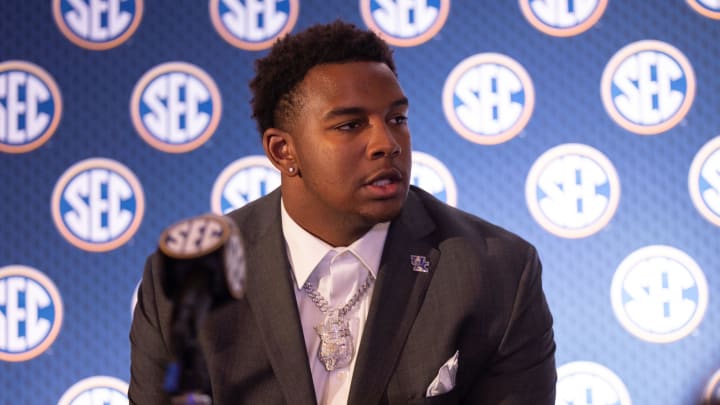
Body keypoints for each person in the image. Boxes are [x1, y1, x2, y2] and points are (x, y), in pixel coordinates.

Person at [129, 20, 556, 404]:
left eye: (397, 118)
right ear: (284, 151)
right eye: (350, 125)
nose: (386, 142)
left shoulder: (496, 272)